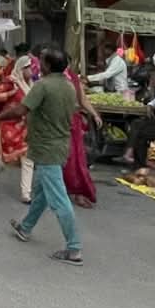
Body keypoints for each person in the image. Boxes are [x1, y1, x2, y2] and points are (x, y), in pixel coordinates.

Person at [0, 46, 84, 266]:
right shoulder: (68, 86)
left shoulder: (43, 86)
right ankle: (25, 228)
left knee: (59, 200)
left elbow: (20, 110)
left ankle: (73, 248)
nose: (38, 65)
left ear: (46, 65)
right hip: (59, 145)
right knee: (42, 192)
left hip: (47, 149)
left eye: (41, 61)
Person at [0, 44, 33, 202]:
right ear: (21, 68)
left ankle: (26, 193)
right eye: (28, 68)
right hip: (9, 125)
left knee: (28, 158)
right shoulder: (11, 81)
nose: (30, 71)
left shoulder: (30, 85)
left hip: (24, 126)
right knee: (6, 158)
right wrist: (12, 92)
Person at [63, 63, 98, 208]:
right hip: (59, 123)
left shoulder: (72, 78)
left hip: (72, 123)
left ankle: (77, 191)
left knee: (76, 159)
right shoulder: (51, 79)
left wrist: (94, 114)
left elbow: (82, 99)